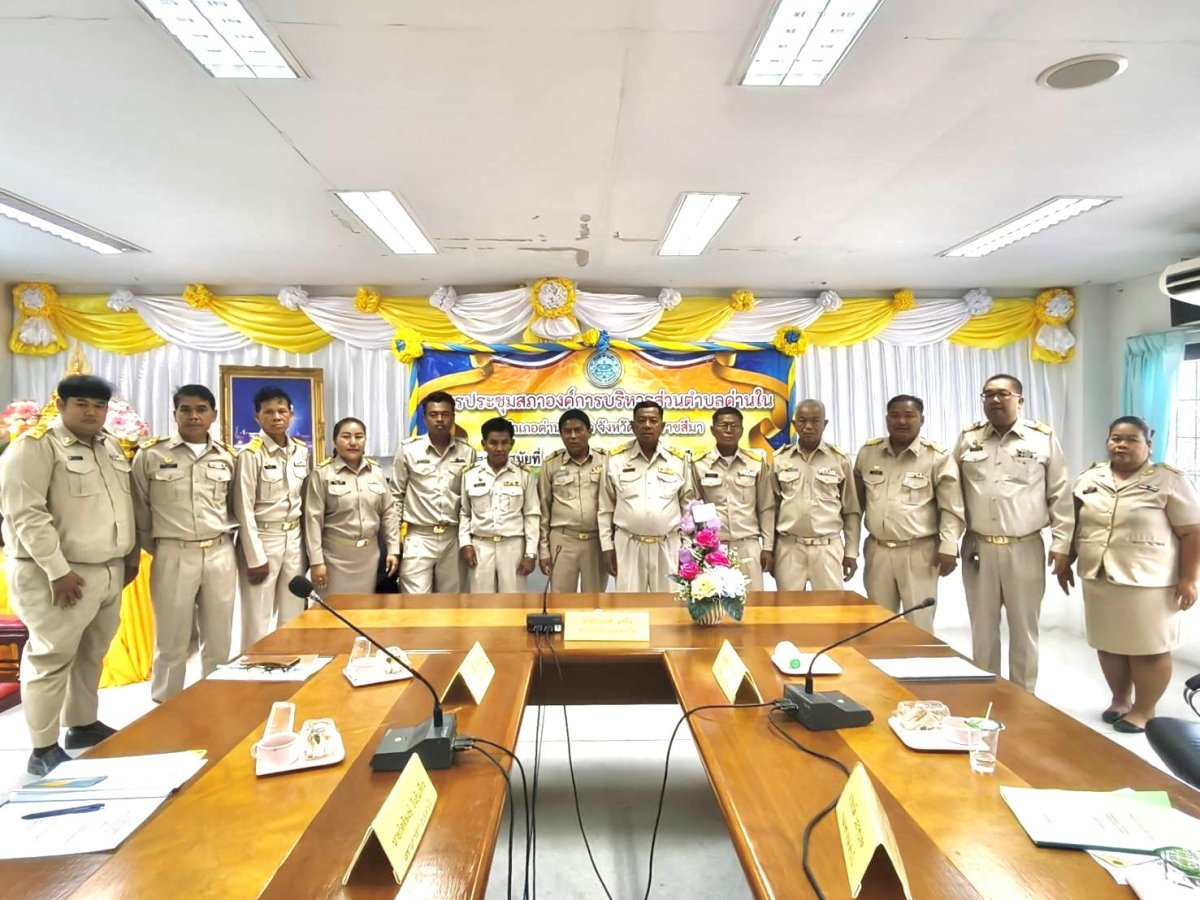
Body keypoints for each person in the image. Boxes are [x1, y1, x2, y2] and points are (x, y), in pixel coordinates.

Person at [0, 375, 139, 776]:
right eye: (81, 403)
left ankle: (81, 724)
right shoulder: (35, 446)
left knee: (91, 655)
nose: (92, 412)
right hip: (57, 576)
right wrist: (57, 571)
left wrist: (128, 559)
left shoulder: (110, 445)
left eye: (99, 405)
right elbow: (26, 513)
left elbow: (122, 509)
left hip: (106, 573)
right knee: (50, 658)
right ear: (60, 405)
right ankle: (42, 747)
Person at [1059, 416, 1200, 733]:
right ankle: (1120, 700)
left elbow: (1193, 533)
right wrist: (1066, 560)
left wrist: (1190, 579)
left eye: (1131, 439)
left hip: (1150, 581)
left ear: (1149, 445)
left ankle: (1144, 710)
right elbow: (1075, 525)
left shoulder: (1170, 481)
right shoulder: (1089, 478)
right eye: (1115, 438)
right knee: (1109, 644)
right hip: (1099, 575)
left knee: (1147, 649)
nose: (1121, 445)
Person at [955, 374, 1073, 692]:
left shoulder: (1042, 439)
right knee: (982, 630)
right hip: (978, 547)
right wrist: (947, 540)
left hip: (1025, 547)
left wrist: (1062, 545)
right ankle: (985, 692)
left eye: (1003, 394)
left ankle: (1024, 699)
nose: (994, 399)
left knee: (1024, 630)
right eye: (988, 394)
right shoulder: (968, 439)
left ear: (1019, 401)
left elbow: (1060, 495)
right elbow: (952, 495)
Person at [132, 384, 237, 703]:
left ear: (214, 415)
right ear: (175, 413)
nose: (194, 416)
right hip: (173, 554)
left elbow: (235, 506)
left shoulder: (227, 457)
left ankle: (214, 701)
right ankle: (166, 704)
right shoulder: (151, 455)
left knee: (219, 639)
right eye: (186, 409)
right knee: (171, 640)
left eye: (201, 409)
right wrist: (163, 547)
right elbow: (140, 510)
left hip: (220, 552)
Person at [853, 395, 964, 632]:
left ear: (921, 420)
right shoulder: (868, 453)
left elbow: (951, 507)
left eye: (909, 416)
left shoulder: (937, 456)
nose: (902, 421)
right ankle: (881, 669)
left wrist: (948, 546)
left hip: (920, 553)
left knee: (918, 626)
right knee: (877, 625)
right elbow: (856, 505)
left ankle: (920, 668)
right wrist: (849, 549)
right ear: (886, 419)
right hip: (878, 551)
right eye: (895, 416)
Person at [233, 386, 310, 651]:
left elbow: (305, 501)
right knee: (258, 618)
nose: (276, 417)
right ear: (257, 417)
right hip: (263, 539)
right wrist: (255, 558)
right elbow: (243, 509)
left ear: (291, 414)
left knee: (293, 613)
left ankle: (289, 665)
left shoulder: (302, 452)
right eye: (268, 412)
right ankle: (253, 672)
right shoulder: (250, 454)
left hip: (294, 539)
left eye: (282, 411)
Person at [598, 400, 695, 592]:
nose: (647, 425)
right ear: (632, 426)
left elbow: (688, 506)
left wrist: (688, 546)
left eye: (653, 420)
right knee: (629, 608)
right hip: (628, 544)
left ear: (662, 426)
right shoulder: (616, 459)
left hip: (669, 545)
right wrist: (606, 546)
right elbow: (605, 507)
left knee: (670, 606)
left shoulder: (678, 459)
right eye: (641, 421)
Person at [771, 399, 861, 590]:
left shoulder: (839, 460)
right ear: (794, 425)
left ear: (825, 424)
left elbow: (851, 510)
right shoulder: (779, 459)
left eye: (815, 420)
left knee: (831, 612)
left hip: (827, 547)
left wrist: (851, 552)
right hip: (789, 548)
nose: (809, 426)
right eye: (802, 421)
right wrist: (770, 549)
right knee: (789, 612)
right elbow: (772, 509)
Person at [304, 417, 400, 595]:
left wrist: (393, 549)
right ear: (334, 441)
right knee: (333, 613)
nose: (353, 442)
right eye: (346, 436)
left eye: (359, 436)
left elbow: (389, 512)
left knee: (363, 612)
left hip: (369, 557)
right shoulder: (323, 473)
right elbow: (313, 521)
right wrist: (316, 562)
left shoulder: (376, 471)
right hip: (334, 557)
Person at [393, 391, 476, 594]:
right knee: (415, 601)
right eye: (433, 414)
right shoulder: (408, 450)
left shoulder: (467, 453)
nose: (440, 419)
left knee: (452, 603)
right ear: (424, 418)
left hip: (453, 537)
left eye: (445, 414)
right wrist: (394, 542)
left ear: (453, 417)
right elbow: (396, 495)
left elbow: (470, 502)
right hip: (419, 536)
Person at [691, 407, 775, 590]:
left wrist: (767, 547)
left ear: (742, 431)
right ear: (713, 430)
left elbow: (766, 507)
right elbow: (693, 508)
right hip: (713, 547)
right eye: (723, 425)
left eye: (734, 426)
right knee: (713, 604)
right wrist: (696, 547)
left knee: (754, 605)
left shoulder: (755, 463)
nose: (729, 430)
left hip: (748, 545)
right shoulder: (698, 464)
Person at [459, 417, 539, 593]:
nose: (499, 448)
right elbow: (465, 513)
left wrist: (530, 553)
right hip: (480, 546)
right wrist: (465, 544)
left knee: (514, 603)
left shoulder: (523, 475)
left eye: (504, 443)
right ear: (483, 444)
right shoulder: (470, 475)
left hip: (513, 547)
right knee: (481, 603)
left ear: (512, 443)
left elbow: (532, 515)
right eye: (493, 443)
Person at [538, 410, 608, 592]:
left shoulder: (605, 461)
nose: (573, 436)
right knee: (560, 597)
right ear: (561, 434)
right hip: (563, 540)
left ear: (589, 431)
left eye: (578, 430)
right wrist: (544, 550)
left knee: (595, 599)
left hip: (596, 541)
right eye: (567, 431)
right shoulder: (550, 464)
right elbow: (543, 510)